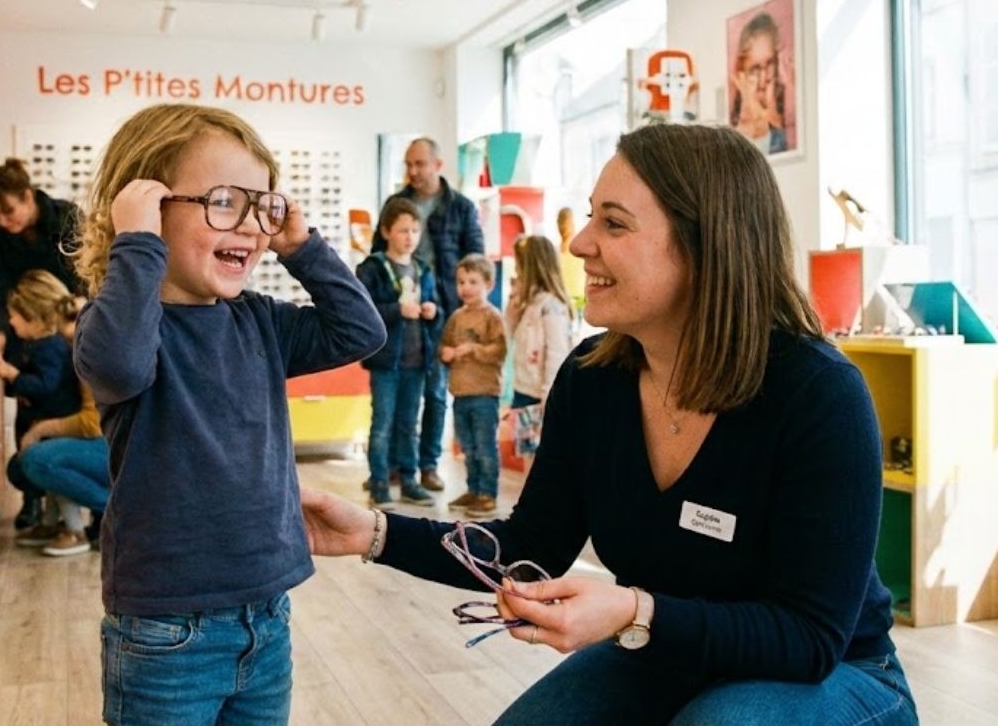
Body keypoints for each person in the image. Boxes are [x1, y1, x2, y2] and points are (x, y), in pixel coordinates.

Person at [301, 123, 917, 725]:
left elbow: (809, 639)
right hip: (667, 654)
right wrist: (372, 533)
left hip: (837, 676)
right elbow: (529, 546)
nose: (579, 243)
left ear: (706, 247)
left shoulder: (818, 393)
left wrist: (635, 612)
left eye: (614, 223)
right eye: (591, 215)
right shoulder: (594, 378)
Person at [71, 103, 385, 725]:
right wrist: (136, 245)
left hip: (267, 618)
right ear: (148, 205)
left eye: (262, 207)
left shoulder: (262, 320)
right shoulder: (125, 327)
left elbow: (361, 331)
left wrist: (302, 245)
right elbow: (119, 367)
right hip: (165, 634)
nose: (249, 226)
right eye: (222, 202)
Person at [372, 137, 485, 492]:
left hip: (444, 317)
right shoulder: (395, 204)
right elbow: (377, 258)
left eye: (420, 164)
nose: (413, 171)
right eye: (408, 164)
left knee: (435, 396)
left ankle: (427, 466)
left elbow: (477, 259)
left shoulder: (462, 207)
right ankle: (391, 469)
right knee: (395, 400)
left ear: (438, 165)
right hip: (400, 320)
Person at [0, 270, 83, 531]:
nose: (10, 322)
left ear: (35, 319)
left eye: (15, 316)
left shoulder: (53, 347)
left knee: (56, 482)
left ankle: (73, 529)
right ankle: (50, 522)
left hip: (51, 425)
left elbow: (44, 385)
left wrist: (12, 374)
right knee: (46, 481)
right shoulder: (35, 345)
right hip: (34, 421)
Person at [355, 197, 440, 510]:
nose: (410, 237)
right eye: (404, 230)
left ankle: (409, 481)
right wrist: (395, 310)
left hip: (417, 359)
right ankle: (379, 482)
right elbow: (361, 311)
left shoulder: (423, 269)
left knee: (408, 424)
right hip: (386, 360)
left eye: (415, 230)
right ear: (387, 231)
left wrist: (433, 311)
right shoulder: (373, 268)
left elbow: (433, 305)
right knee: (383, 423)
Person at [16, 297, 110, 557]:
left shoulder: (91, 349)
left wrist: (41, 429)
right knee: (28, 463)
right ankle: (55, 523)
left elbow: (93, 423)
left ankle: (116, 511)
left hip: (115, 446)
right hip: (109, 445)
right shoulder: (77, 347)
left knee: (38, 460)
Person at [0, 158, 84, 362]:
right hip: (28, 341)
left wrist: (81, 319)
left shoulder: (67, 217)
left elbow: (89, 276)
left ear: (27, 197)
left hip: (75, 329)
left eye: (8, 211)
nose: (2, 221)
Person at [440, 254, 507, 517]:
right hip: (460, 393)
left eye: (472, 281)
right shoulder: (456, 317)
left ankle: (487, 494)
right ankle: (473, 489)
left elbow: (499, 350)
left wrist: (473, 349)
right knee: (467, 446)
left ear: (488, 284)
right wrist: (445, 352)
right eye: (461, 282)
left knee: (484, 445)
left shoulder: (493, 317)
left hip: (484, 394)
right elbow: (444, 344)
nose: (465, 287)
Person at [506, 235, 572, 463]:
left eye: (519, 267)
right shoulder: (529, 304)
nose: (516, 273)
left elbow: (557, 353)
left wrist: (548, 393)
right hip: (522, 391)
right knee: (527, 457)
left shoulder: (551, 306)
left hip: (540, 396)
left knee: (543, 461)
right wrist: (512, 311)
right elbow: (508, 336)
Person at [731, 11, 789, 154]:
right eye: (755, 69)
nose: (763, 78)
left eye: (769, 63)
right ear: (741, 74)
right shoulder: (734, 136)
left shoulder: (780, 129)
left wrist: (772, 117)